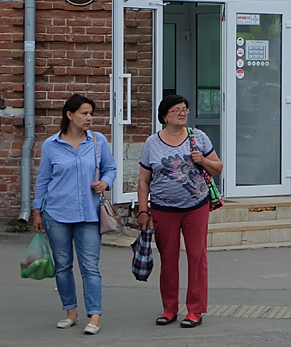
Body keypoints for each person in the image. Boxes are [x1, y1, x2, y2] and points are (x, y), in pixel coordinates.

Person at [136, 93, 223, 329]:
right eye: (176, 109)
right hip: (163, 209)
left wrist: (202, 161)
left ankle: (195, 310)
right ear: (164, 116)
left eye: (184, 108)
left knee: (197, 257)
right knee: (169, 259)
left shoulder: (199, 138)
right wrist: (143, 210)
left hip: (196, 206)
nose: (182, 112)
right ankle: (169, 308)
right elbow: (144, 180)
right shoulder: (152, 143)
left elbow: (218, 167)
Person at [32, 93, 117, 334]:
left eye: (91, 113)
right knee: (62, 266)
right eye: (84, 113)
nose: (89, 118)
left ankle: (95, 315)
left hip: (89, 215)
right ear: (70, 115)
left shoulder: (98, 141)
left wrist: (106, 182)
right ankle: (70, 311)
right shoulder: (51, 145)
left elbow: (110, 168)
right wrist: (37, 210)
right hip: (56, 213)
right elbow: (43, 179)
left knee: (90, 266)